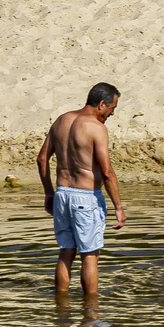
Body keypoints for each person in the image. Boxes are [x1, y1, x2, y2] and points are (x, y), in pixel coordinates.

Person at [38, 82, 127, 295]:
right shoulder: (96, 128)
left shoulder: (62, 120)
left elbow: (42, 158)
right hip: (86, 198)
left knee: (66, 251)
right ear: (102, 104)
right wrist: (119, 207)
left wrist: (49, 192)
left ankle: (62, 311)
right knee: (90, 255)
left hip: (62, 194)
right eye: (113, 108)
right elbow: (107, 171)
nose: (112, 113)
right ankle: (91, 315)